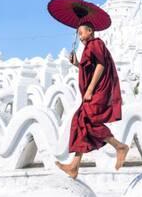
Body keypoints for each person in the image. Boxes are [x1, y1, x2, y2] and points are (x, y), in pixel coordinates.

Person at [55, 21, 129, 179]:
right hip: (94, 91)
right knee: (81, 120)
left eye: (81, 32)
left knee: (88, 119)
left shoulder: (95, 43)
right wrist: (77, 63)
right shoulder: (89, 47)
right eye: (78, 34)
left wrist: (89, 90)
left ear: (90, 31)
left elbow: (101, 66)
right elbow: (88, 68)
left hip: (97, 91)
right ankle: (74, 166)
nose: (80, 36)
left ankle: (120, 147)